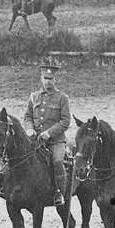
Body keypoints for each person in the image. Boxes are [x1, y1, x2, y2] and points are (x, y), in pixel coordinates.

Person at [26, 60, 72, 206]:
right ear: (41, 79)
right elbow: (27, 116)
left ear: (55, 79)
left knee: (57, 161)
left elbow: (65, 121)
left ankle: (60, 193)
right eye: (45, 78)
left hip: (55, 141)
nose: (48, 81)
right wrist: (29, 128)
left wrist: (49, 133)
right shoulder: (34, 96)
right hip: (36, 140)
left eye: (50, 79)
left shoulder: (62, 98)